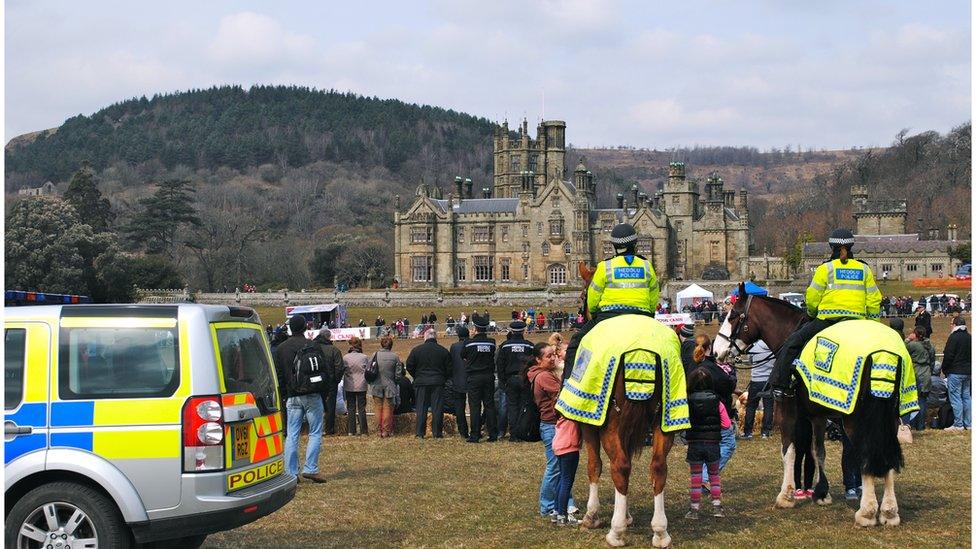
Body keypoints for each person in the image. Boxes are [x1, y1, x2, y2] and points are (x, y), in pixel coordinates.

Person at [770, 228, 882, 399]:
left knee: (792, 343)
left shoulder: (825, 269)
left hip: (828, 320)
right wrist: (873, 324)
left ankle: (781, 386)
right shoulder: (864, 269)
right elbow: (874, 300)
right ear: (851, 247)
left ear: (832, 247)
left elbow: (813, 297)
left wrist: (812, 313)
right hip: (857, 322)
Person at [563, 223, 659, 383]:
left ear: (614, 246)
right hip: (642, 317)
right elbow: (654, 295)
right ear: (635, 244)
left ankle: (568, 389)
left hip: (608, 317)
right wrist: (648, 315)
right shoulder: (647, 265)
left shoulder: (604, 266)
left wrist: (594, 314)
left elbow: (593, 299)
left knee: (575, 344)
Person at [273, 315, 327, 483]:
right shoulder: (313, 345)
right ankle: (310, 468)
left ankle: (291, 472)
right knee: (315, 432)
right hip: (312, 393)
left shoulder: (281, 349)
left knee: (292, 434)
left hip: (292, 395)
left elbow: (279, 375)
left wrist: (284, 395)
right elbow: (323, 370)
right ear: (305, 328)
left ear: (290, 328)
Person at [527, 342, 576, 520]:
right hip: (551, 426)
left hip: (553, 425)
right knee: (555, 467)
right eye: (548, 356)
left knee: (562, 468)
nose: (553, 358)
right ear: (538, 359)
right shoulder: (544, 377)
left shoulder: (546, 373)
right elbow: (565, 393)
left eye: (554, 354)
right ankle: (547, 506)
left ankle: (565, 504)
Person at [693, 334, 736, 489]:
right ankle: (705, 477)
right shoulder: (713, 369)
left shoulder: (693, 365)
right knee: (729, 444)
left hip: (697, 414)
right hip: (716, 413)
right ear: (709, 348)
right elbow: (727, 386)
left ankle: (703, 476)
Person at [684, 366, 725, 519]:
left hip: (694, 443)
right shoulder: (717, 401)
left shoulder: (687, 401)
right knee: (714, 476)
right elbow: (726, 424)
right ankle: (717, 508)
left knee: (696, 478)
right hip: (713, 443)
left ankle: (694, 510)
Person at [406, 329, 452, 438]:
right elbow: (449, 369)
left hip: (421, 382)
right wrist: (442, 378)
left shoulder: (416, 350)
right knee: (437, 408)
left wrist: (417, 376)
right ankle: (437, 433)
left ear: (425, 337)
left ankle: (420, 433)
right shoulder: (443, 351)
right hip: (438, 382)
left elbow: (409, 366)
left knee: (421, 408)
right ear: (435, 337)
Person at [462, 314, 497, 442]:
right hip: (488, 376)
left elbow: (463, 356)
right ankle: (493, 433)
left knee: (475, 406)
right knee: (489, 405)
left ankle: (475, 435)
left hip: (474, 377)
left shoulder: (468, 343)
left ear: (475, 328)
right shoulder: (491, 343)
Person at [497, 320, 533, 440]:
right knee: (523, 406)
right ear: (523, 331)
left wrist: (503, 381)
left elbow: (500, 365)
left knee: (512, 407)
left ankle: (513, 434)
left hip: (510, 379)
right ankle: (522, 432)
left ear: (511, 331)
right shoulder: (529, 345)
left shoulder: (505, 346)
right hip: (524, 379)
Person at [369, 335, 403, 438]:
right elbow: (398, 375)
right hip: (390, 385)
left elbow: (369, 369)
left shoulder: (374, 355)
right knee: (388, 408)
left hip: (376, 385)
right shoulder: (395, 357)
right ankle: (386, 430)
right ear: (391, 345)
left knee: (378, 408)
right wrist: (395, 382)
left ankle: (378, 430)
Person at [313, 329, 344, 437]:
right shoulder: (334, 350)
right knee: (330, 406)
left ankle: (316, 428)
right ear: (329, 337)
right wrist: (336, 380)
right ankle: (329, 429)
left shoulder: (313, 348)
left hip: (316, 382)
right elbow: (339, 367)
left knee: (316, 405)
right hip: (330, 382)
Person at [943, 315, 971, 431]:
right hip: (968, 372)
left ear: (955, 325)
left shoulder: (953, 337)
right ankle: (968, 423)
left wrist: (944, 369)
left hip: (955, 371)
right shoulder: (969, 337)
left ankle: (958, 424)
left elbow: (948, 356)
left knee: (956, 398)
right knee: (966, 397)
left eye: (951, 323)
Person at [552, 414, 581, 526]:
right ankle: (562, 516)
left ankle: (556, 512)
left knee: (561, 479)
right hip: (569, 448)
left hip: (559, 447)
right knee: (567, 482)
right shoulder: (571, 413)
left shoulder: (560, 415)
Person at [742, 339, 774, 439]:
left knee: (751, 406)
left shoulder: (754, 347)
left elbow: (750, 361)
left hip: (756, 379)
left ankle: (748, 432)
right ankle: (765, 432)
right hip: (768, 380)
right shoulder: (773, 347)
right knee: (768, 406)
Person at [905, 327, 936, 431]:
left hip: (916, 372)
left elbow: (903, 349)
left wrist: (908, 339)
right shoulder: (930, 346)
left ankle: (912, 424)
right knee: (923, 401)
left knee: (913, 400)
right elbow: (932, 360)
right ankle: (921, 425)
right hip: (926, 373)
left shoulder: (913, 345)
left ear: (915, 334)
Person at [342, 336, 369, 436]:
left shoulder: (345, 357)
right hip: (362, 384)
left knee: (351, 408)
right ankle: (364, 431)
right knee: (362, 408)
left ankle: (351, 430)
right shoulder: (364, 357)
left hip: (350, 385)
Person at [448, 326, 471, 439]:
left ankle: (463, 431)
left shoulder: (454, 347)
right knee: (475, 405)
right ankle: (476, 427)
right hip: (471, 378)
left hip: (458, 378)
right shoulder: (472, 345)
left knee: (459, 407)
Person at [791, 417, 815, 501]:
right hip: (800, 420)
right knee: (799, 455)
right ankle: (797, 487)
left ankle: (808, 486)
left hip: (812, 420)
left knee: (810, 455)